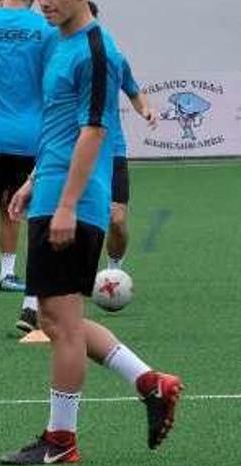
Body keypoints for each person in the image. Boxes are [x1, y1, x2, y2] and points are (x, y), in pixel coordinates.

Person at [1, 0, 182, 465]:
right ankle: (150, 382)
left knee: (60, 324)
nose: (44, 1)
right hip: (53, 192)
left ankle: (61, 441)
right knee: (57, 318)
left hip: (75, 202)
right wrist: (34, 180)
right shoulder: (58, 41)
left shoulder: (96, 51)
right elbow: (57, 125)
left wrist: (65, 205)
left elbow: (94, 132)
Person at [0, 0, 58, 334]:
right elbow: (55, 85)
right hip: (33, 137)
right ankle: (31, 306)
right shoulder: (47, 29)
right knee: (29, 215)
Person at [88, 1, 159, 271]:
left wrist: (146, 109)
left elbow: (133, 91)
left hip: (111, 150)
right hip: (72, 150)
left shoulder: (113, 57)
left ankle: (113, 270)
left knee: (116, 220)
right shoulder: (60, 55)